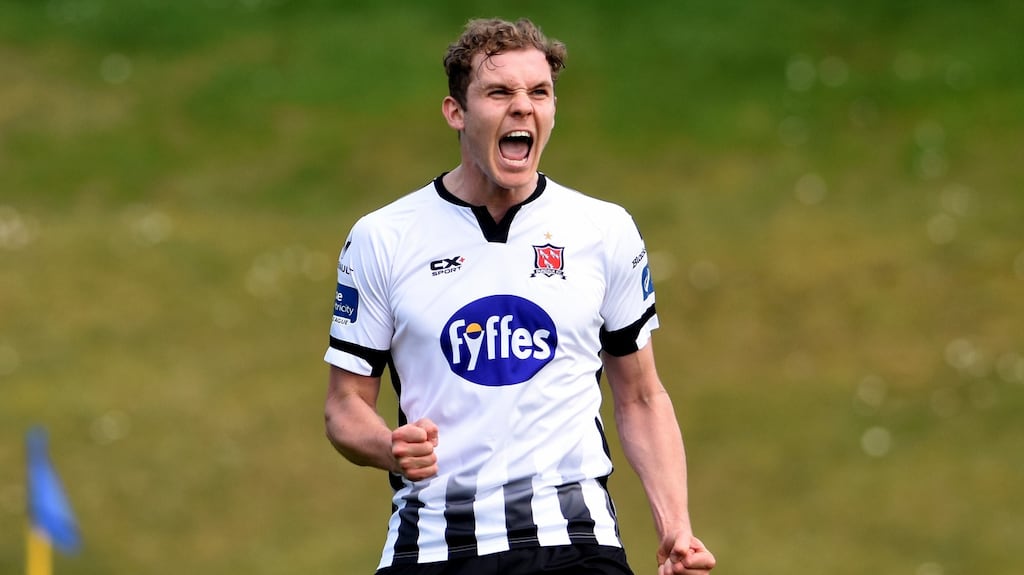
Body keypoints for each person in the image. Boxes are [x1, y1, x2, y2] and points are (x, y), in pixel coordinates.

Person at [323, 17, 715, 575]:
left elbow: (641, 397)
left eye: (539, 92)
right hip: (433, 545)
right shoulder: (382, 237)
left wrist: (675, 529)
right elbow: (344, 406)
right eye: (499, 91)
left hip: (576, 541)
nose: (523, 106)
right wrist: (390, 446)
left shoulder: (603, 230)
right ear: (456, 113)